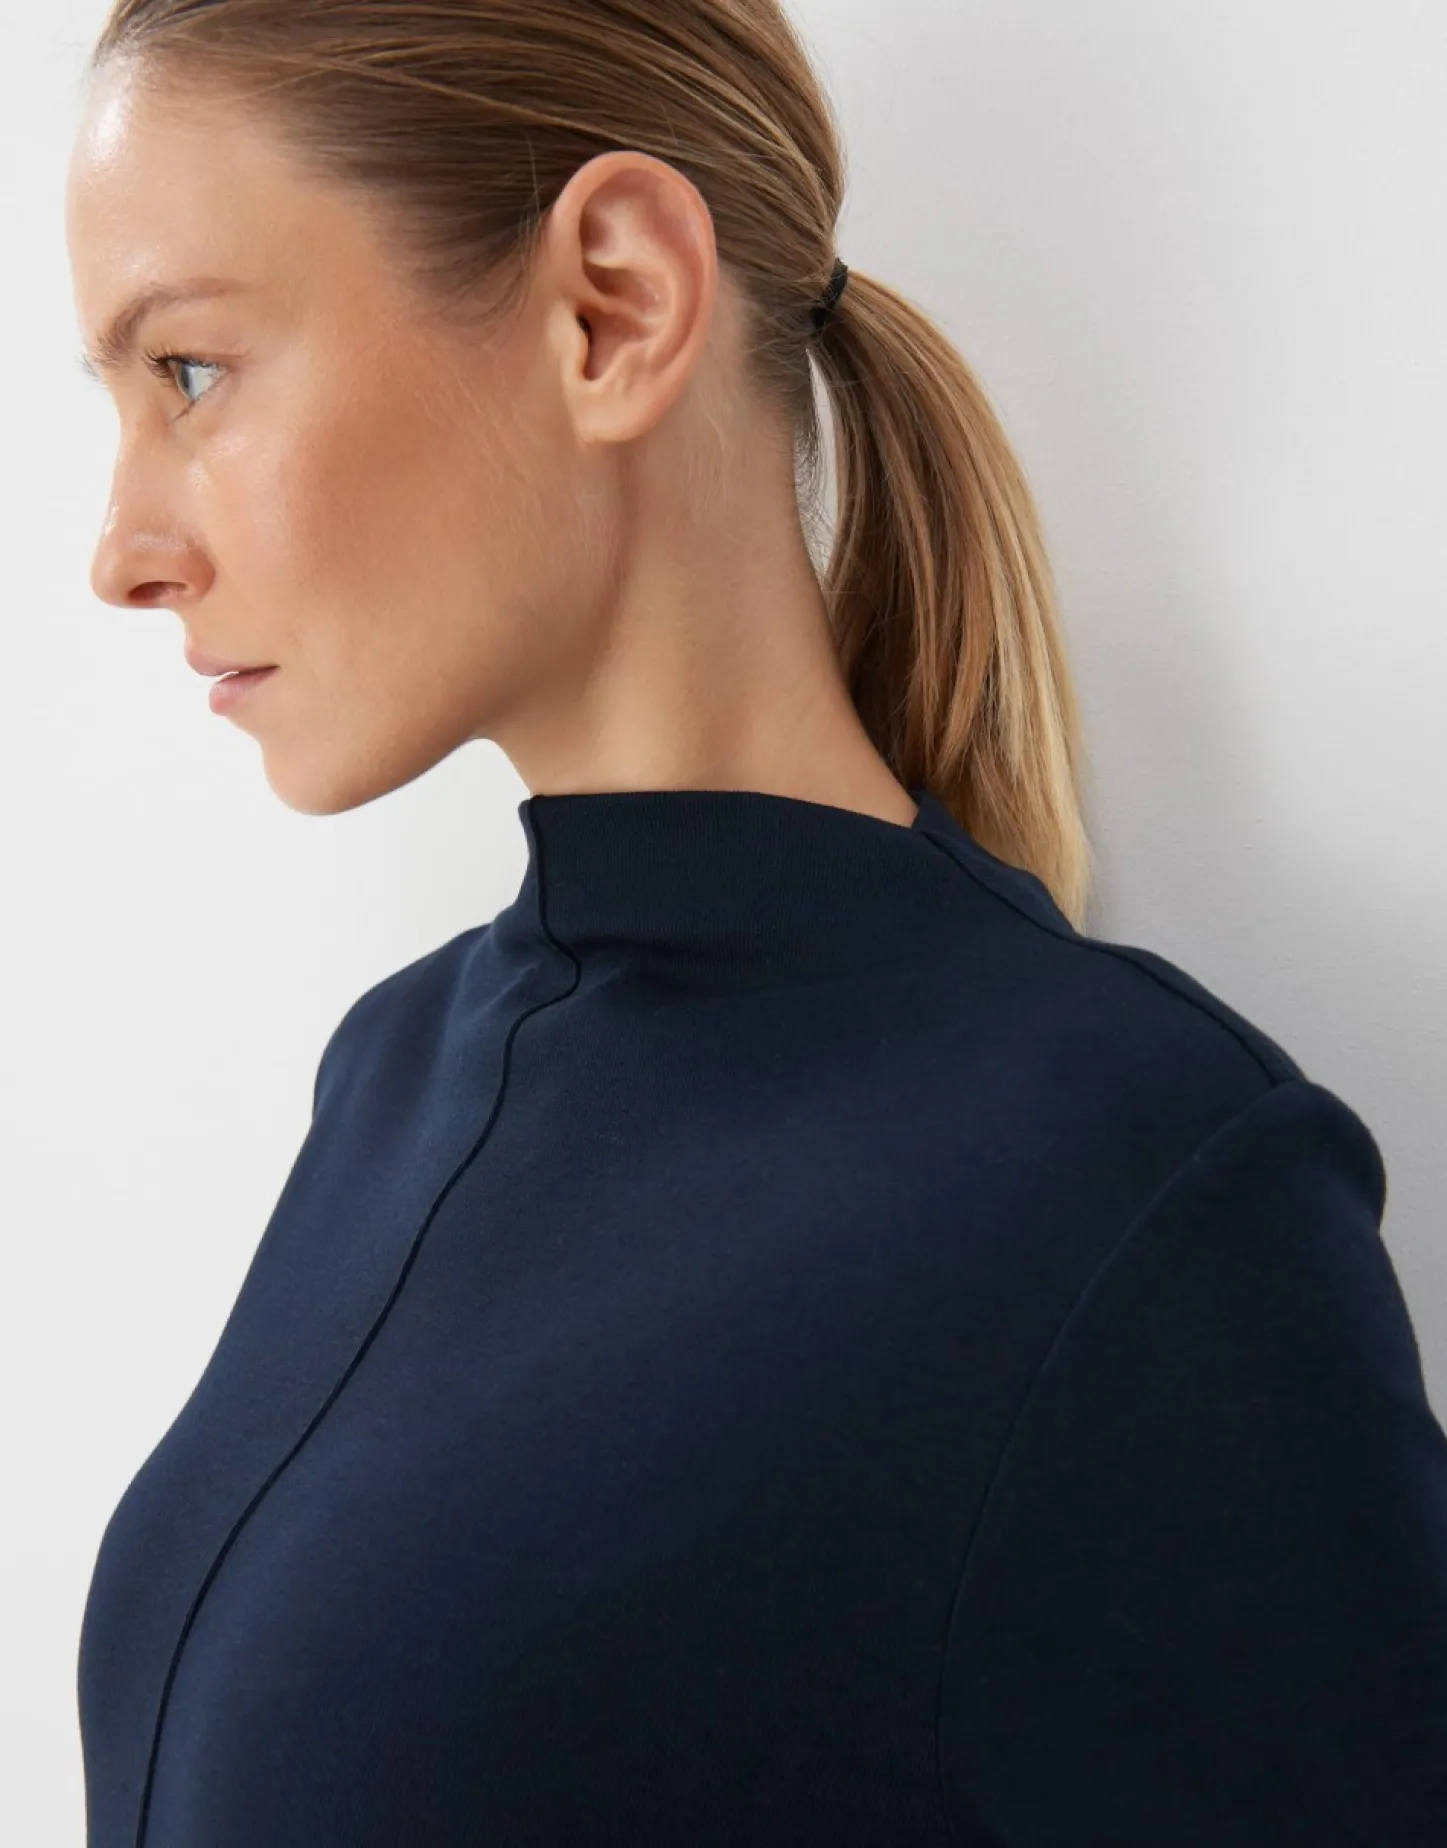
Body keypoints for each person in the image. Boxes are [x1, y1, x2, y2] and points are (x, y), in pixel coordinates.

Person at [66, 4, 1447, 1845]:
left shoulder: (1131, 1182)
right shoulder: (389, 1079)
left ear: (613, 307)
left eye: (190, 370)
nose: (121, 548)